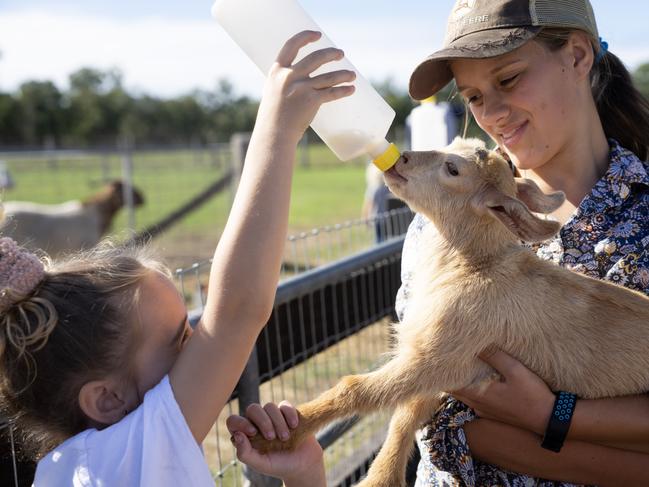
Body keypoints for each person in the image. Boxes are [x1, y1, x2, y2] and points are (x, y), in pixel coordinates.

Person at [0, 30, 353, 487]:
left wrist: (305, 474)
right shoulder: (123, 459)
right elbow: (237, 311)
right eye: (177, 339)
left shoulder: (78, 470)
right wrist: (278, 128)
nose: (199, 341)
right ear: (107, 400)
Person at [397, 0, 649, 485]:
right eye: (472, 96)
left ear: (577, 56)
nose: (490, 113)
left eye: (508, 80)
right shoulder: (438, 221)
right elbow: (431, 403)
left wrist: (553, 415)